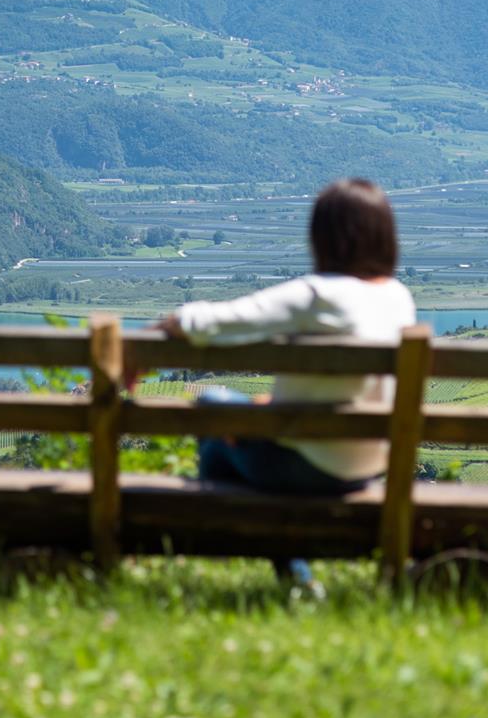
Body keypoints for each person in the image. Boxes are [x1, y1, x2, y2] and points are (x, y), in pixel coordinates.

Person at [153, 178, 417, 594]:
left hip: (304, 466)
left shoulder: (318, 294)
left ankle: (256, 557)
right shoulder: (400, 298)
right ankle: (286, 569)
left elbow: (226, 319)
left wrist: (172, 323)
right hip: (368, 466)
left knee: (215, 411)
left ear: (323, 237)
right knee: (235, 413)